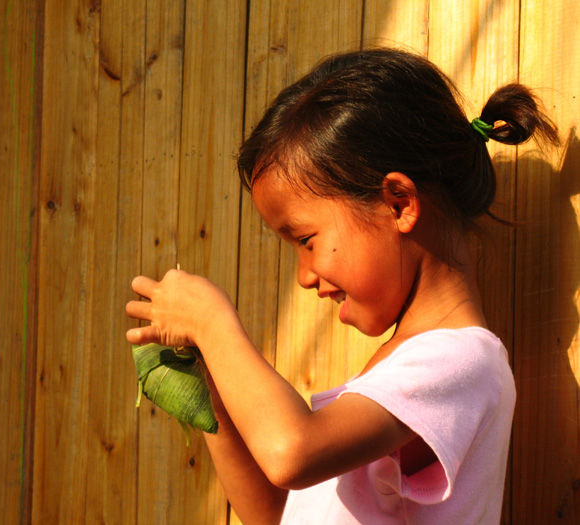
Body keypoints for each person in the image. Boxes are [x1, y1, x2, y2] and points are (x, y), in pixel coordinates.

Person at [125, 48, 559, 524]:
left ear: (398, 203)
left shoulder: (462, 362)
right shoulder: (401, 375)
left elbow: (291, 453)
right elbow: (277, 512)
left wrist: (213, 325)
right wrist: (209, 393)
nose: (303, 276)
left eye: (306, 240)